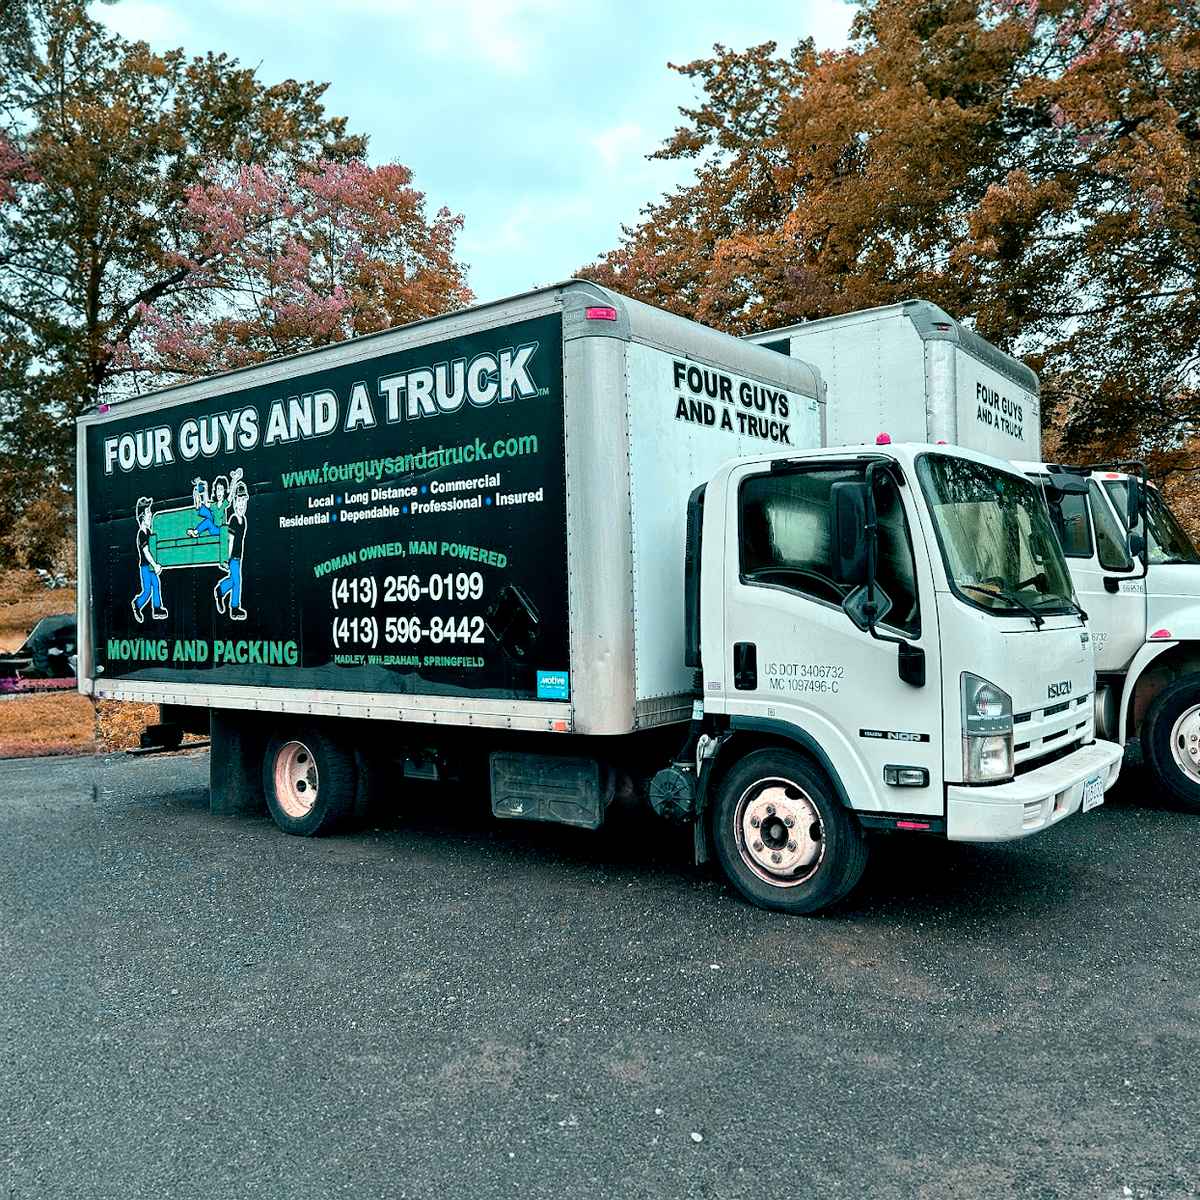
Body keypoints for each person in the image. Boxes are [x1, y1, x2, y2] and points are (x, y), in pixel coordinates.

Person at [214, 480, 248, 620]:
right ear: (234, 502)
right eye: (239, 501)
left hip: (238, 557)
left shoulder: (243, 520)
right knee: (237, 581)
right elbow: (231, 541)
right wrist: (227, 559)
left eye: (243, 502)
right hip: (232, 557)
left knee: (235, 581)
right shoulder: (234, 519)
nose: (241, 505)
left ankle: (220, 590)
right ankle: (234, 608)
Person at [131, 497, 167, 622]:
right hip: (146, 567)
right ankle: (137, 604)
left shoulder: (148, 531)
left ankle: (157, 608)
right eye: (148, 512)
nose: (150, 515)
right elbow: (146, 552)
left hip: (150, 566)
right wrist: (155, 565)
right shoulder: (141, 534)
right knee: (147, 591)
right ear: (142, 516)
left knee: (156, 585)